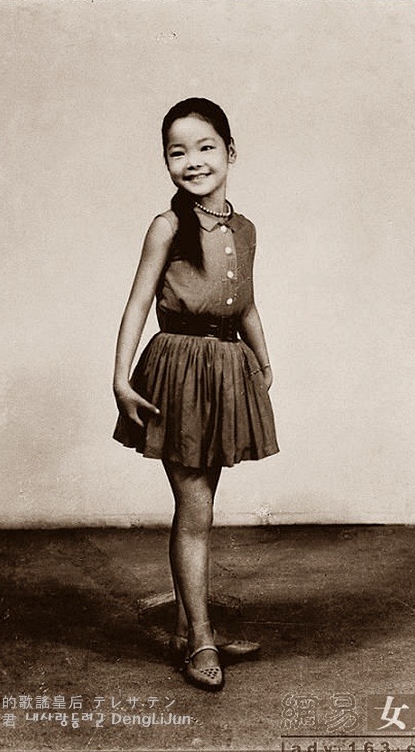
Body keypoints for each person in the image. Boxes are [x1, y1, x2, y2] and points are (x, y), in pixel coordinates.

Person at [112, 98, 279, 691]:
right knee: (196, 508)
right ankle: (202, 640)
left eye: (206, 147)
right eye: (177, 152)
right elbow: (138, 302)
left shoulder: (246, 229)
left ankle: (189, 631)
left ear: (230, 152)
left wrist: (263, 359)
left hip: (226, 369)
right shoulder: (167, 225)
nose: (193, 161)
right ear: (166, 161)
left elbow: (245, 302)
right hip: (178, 371)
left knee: (200, 507)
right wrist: (120, 378)